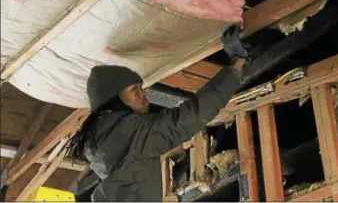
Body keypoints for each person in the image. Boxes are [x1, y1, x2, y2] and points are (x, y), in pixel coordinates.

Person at [66, 25, 251, 201]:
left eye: (141, 88)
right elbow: (189, 117)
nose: (143, 94)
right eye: (134, 89)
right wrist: (236, 64)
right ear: (115, 97)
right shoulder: (132, 131)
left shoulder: (97, 140)